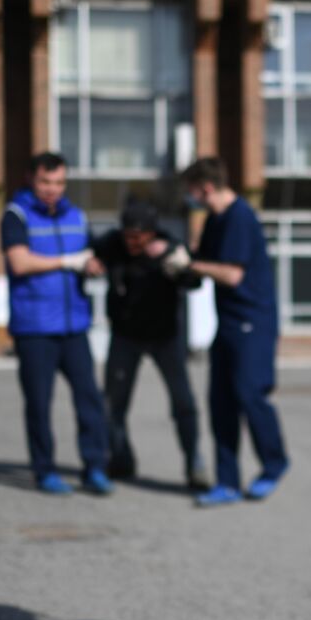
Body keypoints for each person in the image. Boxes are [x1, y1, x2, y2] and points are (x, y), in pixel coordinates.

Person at [178, 157, 290, 507]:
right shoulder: (214, 219)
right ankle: (226, 482)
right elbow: (201, 267)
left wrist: (191, 264)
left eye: (192, 192)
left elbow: (231, 275)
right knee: (220, 403)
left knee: (250, 395)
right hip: (226, 323)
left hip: (253, 324)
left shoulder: (239, 217)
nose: (190, 198)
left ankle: (274, 464)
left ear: (206, 187)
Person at [2, 152, 112, 496]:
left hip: (74, 325)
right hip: (34, 328)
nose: (52, 189)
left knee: (89, 400)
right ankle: (45, 470)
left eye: (59, 182)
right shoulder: (15, 215)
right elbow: (19, 263)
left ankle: (94, 467)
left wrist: (93, 264)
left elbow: (91, 256)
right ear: (31, 180)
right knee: (39, 403)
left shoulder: (77, 216)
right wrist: (68, 260)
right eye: (45, 182)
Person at [87, 197, 210, 489]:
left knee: (183, 403)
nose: (133, 242)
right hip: (125, 336)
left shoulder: (168, 246)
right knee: (114, 403)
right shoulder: (112, 244)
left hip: (165, 337)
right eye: (128, 235)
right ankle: (121, 458)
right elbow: (89, 253)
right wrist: (91, 262)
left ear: (152, 233)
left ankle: (194, 462)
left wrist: (177, 264)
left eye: (139, 237)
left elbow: (194, 283)